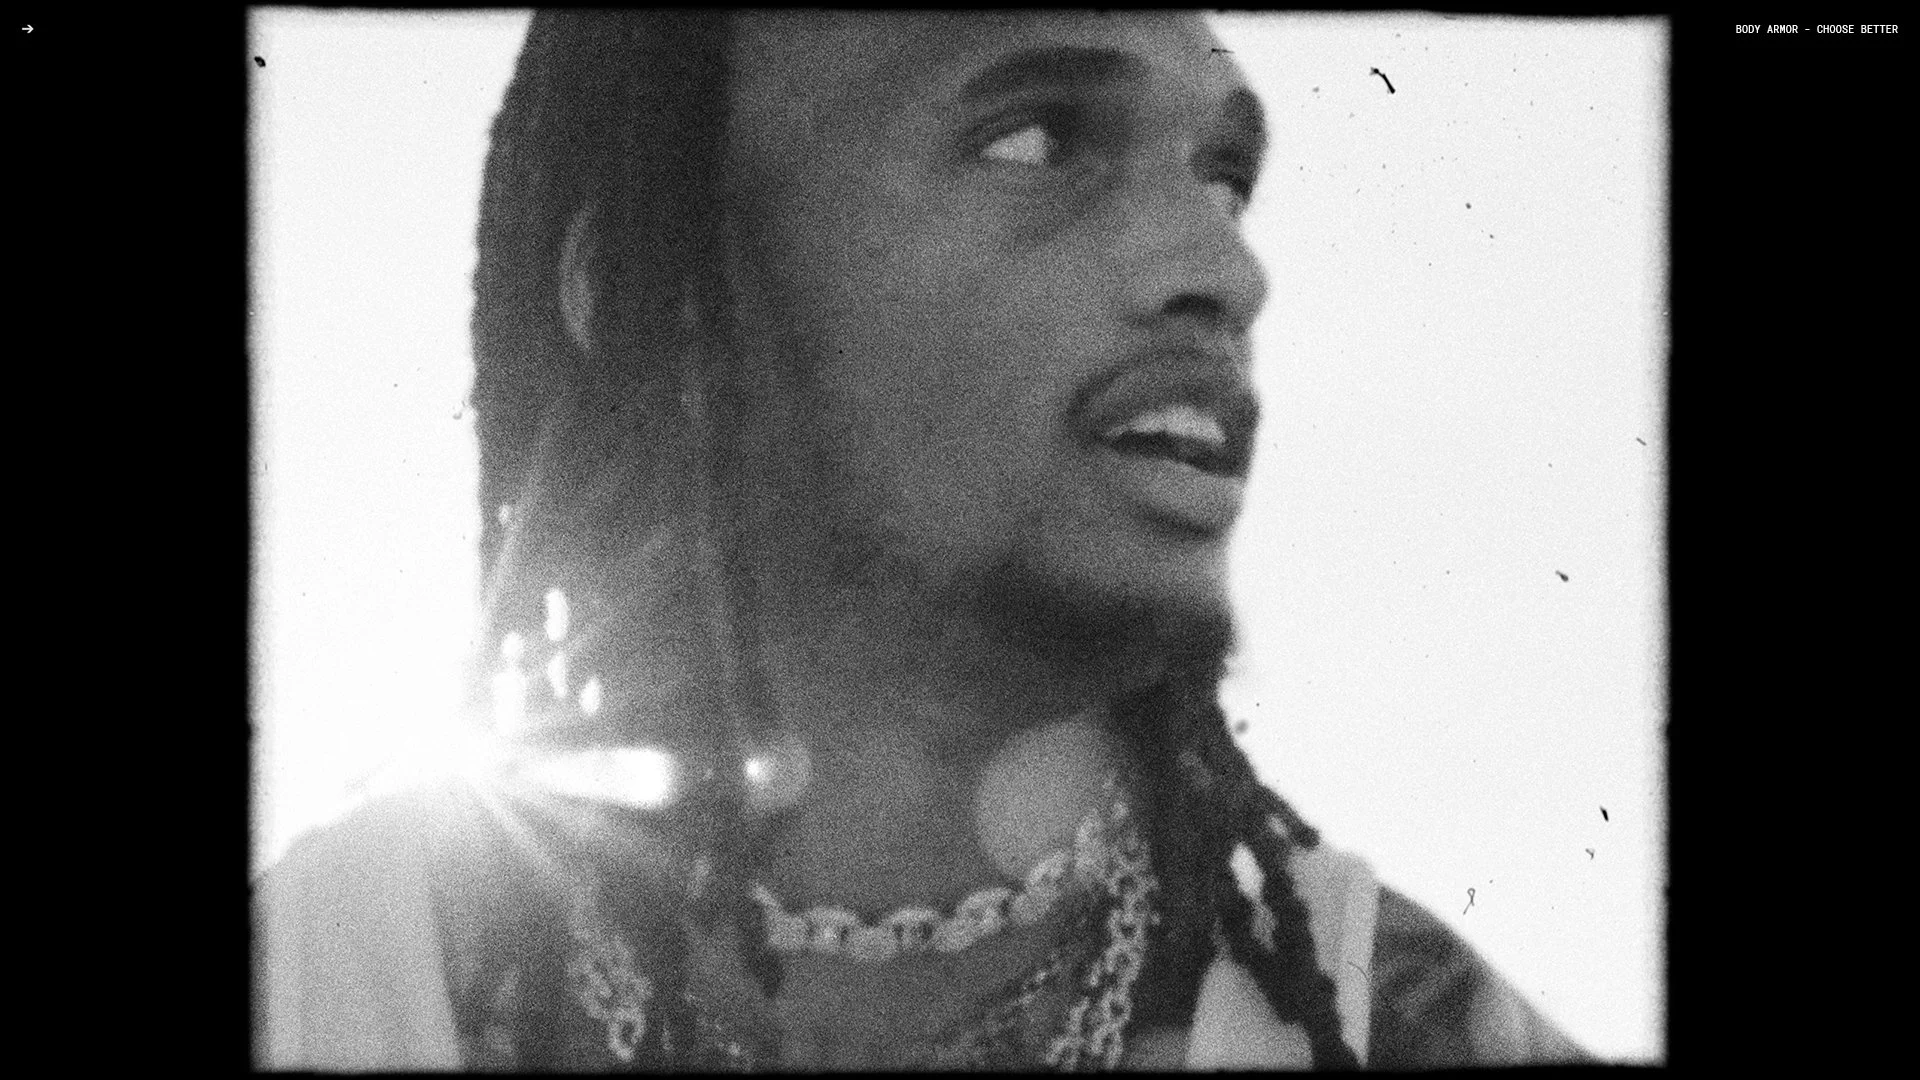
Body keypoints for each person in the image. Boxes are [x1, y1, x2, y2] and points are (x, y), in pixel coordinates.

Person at [256, 10, 1592, 1070]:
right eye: (1038, 140)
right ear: (649, 296)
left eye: (1222, 176)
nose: (1225, 271)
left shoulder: (1390, 1021)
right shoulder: (334, 981)